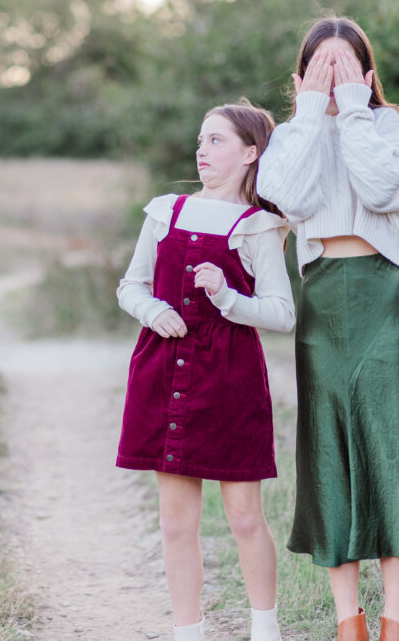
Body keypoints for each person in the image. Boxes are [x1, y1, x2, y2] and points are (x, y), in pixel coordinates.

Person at [256, 17, 399, 641]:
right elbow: (288, 198)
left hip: (381, 294)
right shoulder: (289, 137)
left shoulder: (387, 126)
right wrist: (311, 116)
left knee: (390, 448)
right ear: (301, 75)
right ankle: (347, 622)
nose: (334, 75)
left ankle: (394, 621)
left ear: (366, 72)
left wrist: (355, 111)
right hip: (323, 298)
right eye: (320, 63)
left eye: (345, 63)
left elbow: (383, 189)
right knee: (329, 451)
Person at [117, 101, 296, 641]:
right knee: (176, 523)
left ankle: (265, 630)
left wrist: (227, 297)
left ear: (250, 154)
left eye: (217, 141)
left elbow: (282, 313)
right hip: (162, 373)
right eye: (201, 140)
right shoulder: (164, 211)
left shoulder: (259, 227)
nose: (202, 150)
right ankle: (187, 631)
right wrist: (155, 311)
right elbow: (131, 286)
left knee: (244, 518)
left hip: (229, 380)